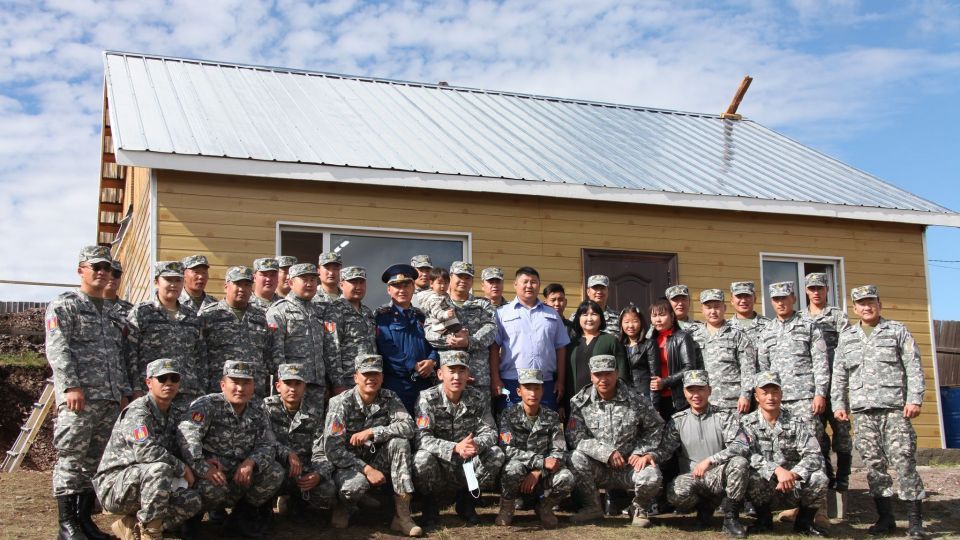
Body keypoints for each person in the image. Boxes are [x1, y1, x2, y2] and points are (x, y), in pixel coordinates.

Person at [46, 245, 131, 540]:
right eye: (96, 267)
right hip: (79, 398)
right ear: (81, 270)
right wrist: (71, 385)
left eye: (107, 268)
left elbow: (119, 356)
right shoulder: (65, 305)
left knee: (94, 462)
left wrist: (121, 392)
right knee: (71, 459)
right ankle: (66, 524)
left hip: (108, 400)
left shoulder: (113, 312)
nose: (103, 273)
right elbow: (58, 347)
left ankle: (84, 522)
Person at [832, 285, 926, 539]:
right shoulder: (848, 337)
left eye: (870, 301)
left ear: (879, 303)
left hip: (895, 409)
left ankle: (916, 521)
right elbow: (839, 375)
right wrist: (839, 405)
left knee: (904, 462)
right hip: (863, 413)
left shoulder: (897, 331)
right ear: (854, 308)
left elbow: (913, 366)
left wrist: (914, 399)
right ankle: (886, 518)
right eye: (861, 303)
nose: (866, 306)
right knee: (874, 466)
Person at [93, 359, 201, 540]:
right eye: (162, 378)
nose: (168, 383)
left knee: (193, 501)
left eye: (173, 378)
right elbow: (146, 452)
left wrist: (203, 461)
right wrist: (182, 468)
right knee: (160, 468)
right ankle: (150, 534)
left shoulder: (174, 413)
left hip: (149, 483)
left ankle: (133, 527)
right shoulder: (138, 412)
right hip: (116, 486)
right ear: (149, 383)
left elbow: (183, 446)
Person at [177, 360, 285, 539]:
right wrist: (204, 467)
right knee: (211, 488)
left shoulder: (258, 408)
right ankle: (192, 520)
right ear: (223, 385)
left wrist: (251, 462)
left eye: (246, 383)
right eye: (235, 382)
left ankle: (239, 518)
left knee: (275, 472)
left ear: (253, 386)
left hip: (240, 473)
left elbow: (268, 444)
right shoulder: (206, 404)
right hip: (212, 473)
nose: (240, 389)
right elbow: (188, 438)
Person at [323, 354, 422, 536]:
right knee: (352, 489)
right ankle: (345, 506)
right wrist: (367, 470)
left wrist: (374, 432)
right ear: (356, 378)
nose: (371, 379)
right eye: (366, 374)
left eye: (376, 374)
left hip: (376, 459)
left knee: (400, 443)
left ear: (382, 377)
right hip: (349, 465)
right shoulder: (340, 403)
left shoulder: (389, 397)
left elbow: (409, 427)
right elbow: (333, 449)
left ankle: (402, 516)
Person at [566, 354, 664, 527]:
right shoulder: (580, 402)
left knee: (652, 475)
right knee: (574, 457)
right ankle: (592, 508)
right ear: (591, 376)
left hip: (629, 466)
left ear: (616, 373)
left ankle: (638, 509)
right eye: (598, 374)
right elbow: (575, 437)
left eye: (608, 373)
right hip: (599, 467)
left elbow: (655, 427)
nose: (603, 379)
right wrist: (606, 453)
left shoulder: (636, 400)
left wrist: (641, 451)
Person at [413, 350, 505, 528]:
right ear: (440, 374)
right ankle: (430, 504)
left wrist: (474, 444)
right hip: (439, 466)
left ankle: (467, 501)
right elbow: (421, 439)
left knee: (496, 454)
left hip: (467, 465)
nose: (457, 376)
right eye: (451, 371)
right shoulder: (427, 399)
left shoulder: (477, 398)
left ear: (468, 374)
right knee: (421, 459)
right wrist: (456, 448)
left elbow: (491, 432)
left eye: (462, 371)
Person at [655, 370, 749, 537]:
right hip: (693, 477)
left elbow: (741, 445)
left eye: (701, 389)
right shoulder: (677, 420)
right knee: (676, 494)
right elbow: (665, 450)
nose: (696, 395)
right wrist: (650, 457)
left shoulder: (724, 416)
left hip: (719, 475)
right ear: (684, 392)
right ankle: (704, 509)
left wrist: (711, 460)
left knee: (740, 463)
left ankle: (730, 518)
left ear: (709, 391)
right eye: (691, 390)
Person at [734, 371, 829, 537]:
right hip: (764, 487)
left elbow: (814, 455)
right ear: (756, 397)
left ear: (781, 394)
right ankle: (763, 520)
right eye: (765, 393)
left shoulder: (796, 422)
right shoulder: (746, 423)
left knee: (819, 478)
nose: (770, 397)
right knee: (748, 473)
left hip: (792, 486)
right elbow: (746, 454)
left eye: (775, 392)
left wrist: (794, 474)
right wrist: (776, 470)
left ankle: (804, 523)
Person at [757, 282, 829, 466]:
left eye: (785, 298)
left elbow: (821, 362)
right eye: (776, 299)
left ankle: (816, 490)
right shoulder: (766, 331)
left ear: (794, 299)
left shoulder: (810, 326)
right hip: (776, 400)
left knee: (812, 446)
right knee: (781, 447)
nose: (780, 303)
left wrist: (820, 393)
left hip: (805, 399)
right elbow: (763, 368)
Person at [494, 368, 574, 529]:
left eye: (536, 388)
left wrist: (539, 471)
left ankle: (544, 507)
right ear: (519, 391)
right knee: (512, 468)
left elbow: (559, 452)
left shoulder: (551, 417)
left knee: (567, 477)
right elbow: (506, 449)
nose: (532, 393)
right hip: (519, 472)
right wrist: (541, 462)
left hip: (542, 475)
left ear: (542, 390)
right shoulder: (508, 415)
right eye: (527, 388)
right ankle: (507, 507)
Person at [267, 263, 343, 417]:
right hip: (291, 387)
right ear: (291, 283)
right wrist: (284, 384)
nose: (309, 284)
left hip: (317, 386)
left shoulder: (320, 311)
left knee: (314, 432)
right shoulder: (279, 310)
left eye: (313, 280)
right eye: (304, 279)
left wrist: (336, 383)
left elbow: (330, 350)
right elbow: (275, 352)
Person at [126, 261, 205, 408]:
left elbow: (200, 356)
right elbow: (130, 353)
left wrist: (201, 389)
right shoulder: (142, 312)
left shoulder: (192, 316)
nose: (173, 285)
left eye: (178, 280)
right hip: (153, 392)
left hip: (188, 393)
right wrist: (136, 388)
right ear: (156, 282)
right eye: (168, 280)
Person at [263, 364, 336, 522]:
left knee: (328, 490)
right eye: (288, 383)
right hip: (273, 469)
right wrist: (287, 453)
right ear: (278, 386)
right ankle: (262, 508)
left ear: (305, 387)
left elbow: (322, 451)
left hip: (302, 471)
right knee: (270, 474)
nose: (292, 389)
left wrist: (318, 474)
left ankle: (297, 502)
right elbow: (263, 441)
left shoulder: (314, 414)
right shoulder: (265, 408)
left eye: (298, 384)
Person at [492, 266, 570, 412]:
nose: (529, 286)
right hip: (511, 381)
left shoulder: (552, 314)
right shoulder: (502, 313)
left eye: (533, 282)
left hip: (544, 382)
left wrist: (560, 381)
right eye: (525, 281)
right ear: (515, 285)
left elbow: (561, 348)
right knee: (510, 428)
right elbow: (495, 347)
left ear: (539, 285)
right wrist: (496, 379)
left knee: (545, 428)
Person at [800, 272, 852, 491]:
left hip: (836, 385)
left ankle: (843, 477)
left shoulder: (838, 316)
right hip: (811, 387)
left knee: (841, 433)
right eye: (812, 288)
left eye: (819, 288)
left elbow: (849, 347)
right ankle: (826, 474)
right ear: (806, 291)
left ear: (827, 290)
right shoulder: (801, 318)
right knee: (817, 434)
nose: (816, 292)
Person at [423, 262, 496, 404]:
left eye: (467, 277)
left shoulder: (483, 304)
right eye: (459, 276)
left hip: (477, 376)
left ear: (472, 281)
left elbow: (491, 328)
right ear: (450, 277)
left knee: (482, 420)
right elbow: (429, 332)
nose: (463, 280)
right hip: (448, 377)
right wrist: (452, 340)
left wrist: (469, 341)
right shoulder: (437, 302)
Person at [199, 266, 275, 397]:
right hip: (218, 390)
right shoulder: (209, 314)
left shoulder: (261, 317)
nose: (242, 289)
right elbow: (200, 355)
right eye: (237, 284)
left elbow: (267, 356)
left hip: (254, 391)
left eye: (247, 285)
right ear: (226, 286)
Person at [374, 264, 440, 413]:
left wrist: (432, 360)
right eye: (396, 286)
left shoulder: (422, 316)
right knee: (401, 427)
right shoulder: (382, 316)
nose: (402, 290)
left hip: (425, 382)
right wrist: (412, 365)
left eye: (406, 285)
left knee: (425, 426)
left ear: (413, 288)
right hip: (398, 384)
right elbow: (387, 347)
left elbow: (436, 341)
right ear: (389, 290)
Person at [689, 289, 756, 414]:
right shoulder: (693, 336)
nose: (713, 311)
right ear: (701, 309)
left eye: (717, 307)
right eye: (708, 307)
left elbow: (748, 367)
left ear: (724, 308)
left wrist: (745, 395)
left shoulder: (737, 334)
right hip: (703, 401)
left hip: (732, 401)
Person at [321, 266, 377, 389]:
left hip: (370, 379)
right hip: (348, 380)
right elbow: (331, 350)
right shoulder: (335, 310)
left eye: (361, 282)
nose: (358, 287)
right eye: (353, 282)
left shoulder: (367, 312)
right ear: (341, 285)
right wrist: (338, 384)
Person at [564, 300, 627, 407]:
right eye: (585, 314)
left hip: (605, 403)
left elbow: (622, 372)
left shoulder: (610, 341)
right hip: (575, 403)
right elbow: (566, 375)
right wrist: (563, 404)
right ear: (578, 318)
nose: (589, 319)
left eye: (594, 314)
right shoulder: (571, 343)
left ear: (601, 318)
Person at [647, 298, 698, 419]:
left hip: (677, 398)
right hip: (655, 398)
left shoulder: (682, 337)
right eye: (654, 315)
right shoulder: (649, 339)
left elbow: (690, 368)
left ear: (672, 316)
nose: (658, 319)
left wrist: (665, 382)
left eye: (662, 315)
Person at [619, 304, 653, 399]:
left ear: (641, 322)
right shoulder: (619, 345)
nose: (630, 325)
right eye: (626, 322)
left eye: (635, 321)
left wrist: (655, 403)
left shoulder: (649, 344)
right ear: (621, 324)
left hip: (644, 395)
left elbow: (655, 377)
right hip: (624, 395)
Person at [419, 266, 463, 338]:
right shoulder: (434, 298)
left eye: (446, 283)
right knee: (458, 336)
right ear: (431, 284)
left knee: (462, 332)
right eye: (439, 283)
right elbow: (436, 312)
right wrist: (445, 314)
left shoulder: (444, 295)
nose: (443, 286)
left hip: (449, 323)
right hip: (441, 326)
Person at [727, 281, 770, 348]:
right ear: (732, 301)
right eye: (739, 296)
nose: (743, 300)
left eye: (747, 296)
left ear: (755, 299)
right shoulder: (725, 328)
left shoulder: (768, 325)